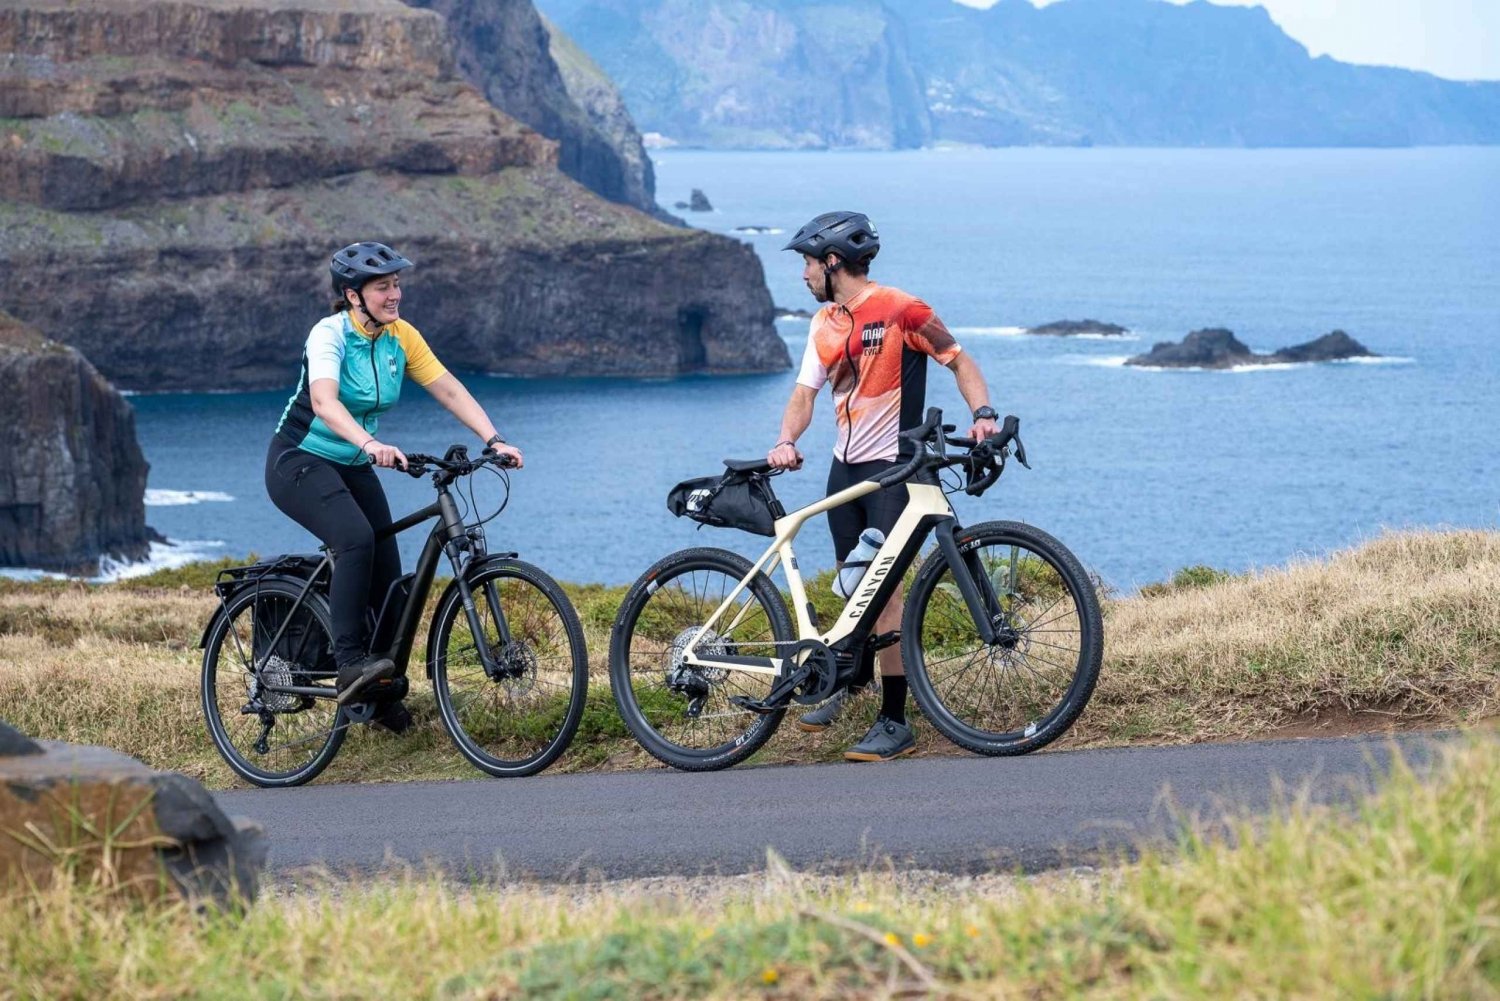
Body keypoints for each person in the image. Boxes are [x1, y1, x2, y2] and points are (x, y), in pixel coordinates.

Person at [768, 212, 1001, 762]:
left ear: (831, 263)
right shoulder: (823, 323)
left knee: (884, 588)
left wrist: (984, 412)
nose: (802, 275)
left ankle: (895, 720)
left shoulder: (902, 309)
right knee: (856, 588)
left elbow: (958, 360)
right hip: (843, 469)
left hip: (895, 469)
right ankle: (850, 679)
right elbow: (805, 393)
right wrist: (785, 439)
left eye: (806, 263)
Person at [265, 241, 522, 729]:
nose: (394, 294)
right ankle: (348, 667)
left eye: (397, 284)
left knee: (390, 577)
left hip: (352, 462)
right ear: (352, 295)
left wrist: (494, 438)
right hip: (299, 461)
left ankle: (377, 698)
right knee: (354, 539)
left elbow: (446, 387)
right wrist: (367, 442)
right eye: (383, 286)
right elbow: (323, 402)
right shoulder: (329, 334)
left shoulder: (400, 337)